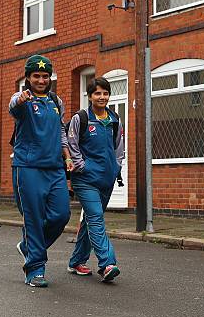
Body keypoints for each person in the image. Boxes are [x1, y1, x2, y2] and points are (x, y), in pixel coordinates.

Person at [10, 54, 73, 288]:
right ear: (28, 78)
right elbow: (13, 105)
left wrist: (67, 157)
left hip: (55, 168)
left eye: (45, 76)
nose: (41, 80)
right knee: (34, 219)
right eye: (36, 76)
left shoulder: (56, 102)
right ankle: (35, 268)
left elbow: (62, 133)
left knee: (61, 215)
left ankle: (28, 247)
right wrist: (20, 99)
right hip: (28, 168)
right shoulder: (23, 101)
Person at [66, 77, 124, 282]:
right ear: (89, 96)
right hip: (85, 179)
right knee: (96, 217)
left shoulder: (114, 119)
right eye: (97, 93)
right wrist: (82, 166)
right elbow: (71, 144)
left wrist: (116, 167)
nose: (102, 97)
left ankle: (76, 262)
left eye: (105, 93)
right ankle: (107, 264)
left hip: (106, 178)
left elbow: (118, 147)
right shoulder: (80, 118)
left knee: (91, 219)